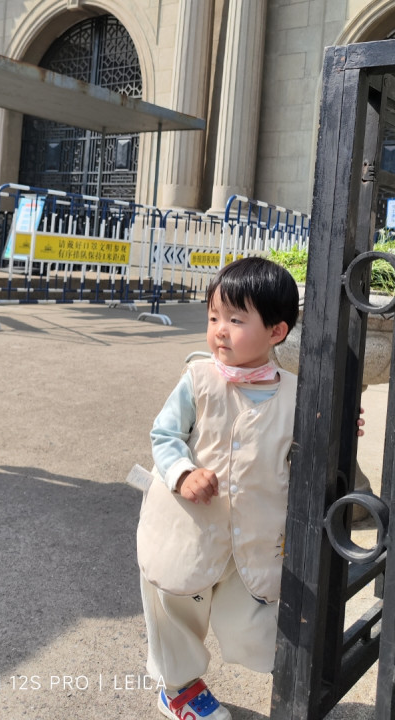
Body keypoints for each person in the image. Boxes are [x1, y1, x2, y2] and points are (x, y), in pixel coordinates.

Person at [137, 256, 300, 720]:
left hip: (254, 534)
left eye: (235, 320)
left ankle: (281, 663)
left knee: (250, 607)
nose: (220, 331)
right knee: (176, 602)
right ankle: (178, 687)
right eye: (213, 318)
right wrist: (183, 473)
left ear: (276, 331)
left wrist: (343, 426)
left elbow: (308, 447)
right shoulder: (198, 379)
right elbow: (165, 434)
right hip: (189, 527)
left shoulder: (295, 393)